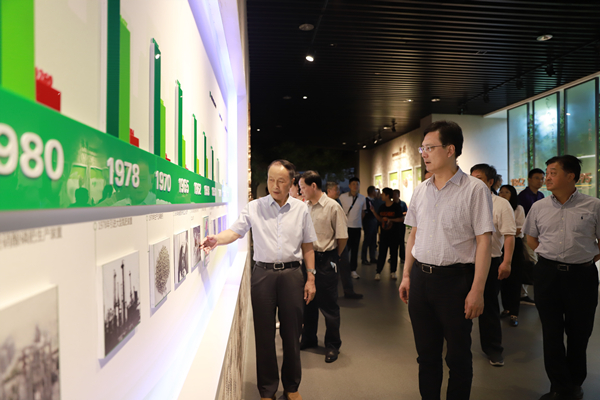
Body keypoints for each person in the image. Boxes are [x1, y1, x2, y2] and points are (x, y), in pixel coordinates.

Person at [200, 159, 317, 400]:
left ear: (291, 182)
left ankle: (292, 387)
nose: (275, 185)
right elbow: (235, 231)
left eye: (281, 181)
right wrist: (216, 240)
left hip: (292, 275)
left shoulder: (301, 209)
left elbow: (308, 245)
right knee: (264, 335)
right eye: (271, 180)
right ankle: (267, 390)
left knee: (292, 333)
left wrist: (311, 278)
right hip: (263, 275)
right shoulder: (254, 207)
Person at [399, 120, 494, 400]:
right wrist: (406, 275)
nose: (424, 154)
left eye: (429, 148)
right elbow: (414, 235)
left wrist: (477, 290)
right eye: (422, 148)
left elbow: (484, 242)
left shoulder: (474, 189)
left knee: (458, 357)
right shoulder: (421, 190)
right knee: (426, 356)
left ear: (450, 150)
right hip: (421, 279)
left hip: (456, 281)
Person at [523, 155, 600, 400]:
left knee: (580, 333)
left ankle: (575, 384)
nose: (547, 177)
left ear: (571, 176)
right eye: (547, 172)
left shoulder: (594, 206)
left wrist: (582, 258)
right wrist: (551, 257)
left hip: (582, 276)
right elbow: (531, 238)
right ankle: (559, 386)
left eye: (553, 172)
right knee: (551, 332)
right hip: (547, 275)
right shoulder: (539, 207)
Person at [299, 171, 348, 363]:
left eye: (303, 187)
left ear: (313, 186)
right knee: (307, 302)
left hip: (326, 258)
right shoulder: (305, 206)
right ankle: (309, 338)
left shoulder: (332, 207)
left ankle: (333, 345)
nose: (301, 191)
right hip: (307, 258)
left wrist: (334, 257)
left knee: (328, 305)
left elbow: (342, 237)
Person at [470, 164, 516, 367]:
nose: (473, 182)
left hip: (490, 260)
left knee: (488, 306)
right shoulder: (465, 201)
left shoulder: (500, 204)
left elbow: (509, 235)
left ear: (490, 182)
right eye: (471, 177)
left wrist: (507, 262)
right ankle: (456, 346)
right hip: (463, 262)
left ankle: (493, 349)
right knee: (456, 305)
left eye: (479, 178)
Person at [326, 181, 363, 299]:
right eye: (336, 189)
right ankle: (330, 294)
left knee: (344, 266)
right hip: (331, 240)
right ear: (329, 190)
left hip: (340, 238)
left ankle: (348, 291)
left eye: (338, 189)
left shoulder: (337, 201)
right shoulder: (327, 204)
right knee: (331, 268)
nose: (338, 191)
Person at [498, 184, 526, 327]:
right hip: (500, 245)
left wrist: (505, 232)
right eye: (501, 192)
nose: (503, 194)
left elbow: (519, 229)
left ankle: (514, 312)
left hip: (514, 245)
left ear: (512, 195)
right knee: (502, 279)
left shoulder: (518, 208)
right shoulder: (497, 206)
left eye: (506, 192)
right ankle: (506, 308)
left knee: (514, 279)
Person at [518, 168, 545, 304]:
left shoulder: (541, 195)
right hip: (527, 234)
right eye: (537, 178)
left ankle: (526, 292)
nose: (540, 181)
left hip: (539, 233)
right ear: (529, 179)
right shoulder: (523, 196)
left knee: (534, 261)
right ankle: (523, 293)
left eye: (542, 178)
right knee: (531, 261)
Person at [372, 187, 404, 280]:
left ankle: (393, 272)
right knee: (382, 254)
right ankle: (378, 272)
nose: (381, 195)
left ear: (387, 195)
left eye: (383, 194)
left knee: (393, 253)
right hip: (384, 235)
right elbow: (380, 219)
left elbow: (401, 219)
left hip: (394, 234)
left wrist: (390, 220)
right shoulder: (382, 207)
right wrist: (373, 212)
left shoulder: (396, 207)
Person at [339, 177, 367, 279]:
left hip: (357, 227)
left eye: (357, 184)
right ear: (349, 185)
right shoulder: (342, 197)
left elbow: (363, 212)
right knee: (344, 250)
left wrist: (359, 222)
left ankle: (353, 270)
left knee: (355, 250)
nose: (355, 186)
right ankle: (342, 269)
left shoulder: (362, 198)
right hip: (345, 227)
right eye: (353, 184)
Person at [362, 186, 378, 265]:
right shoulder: (366, 200)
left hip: (374, 222)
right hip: (368, 222)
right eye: (375, 191)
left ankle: (372, 257)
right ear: (372, 192)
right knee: (367, 240)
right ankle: (364, 258)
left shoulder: (374, 201)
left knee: (373, 240)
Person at [391, 188, 408, 264]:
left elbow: (406, 211)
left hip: (400, 224)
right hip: (393, 224)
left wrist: (401, 214)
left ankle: (402, 257)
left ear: (399, 195)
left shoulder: (403, 204)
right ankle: (392, 257)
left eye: (395, 194)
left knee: (401, 241)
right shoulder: (391, 204)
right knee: (393, 241)